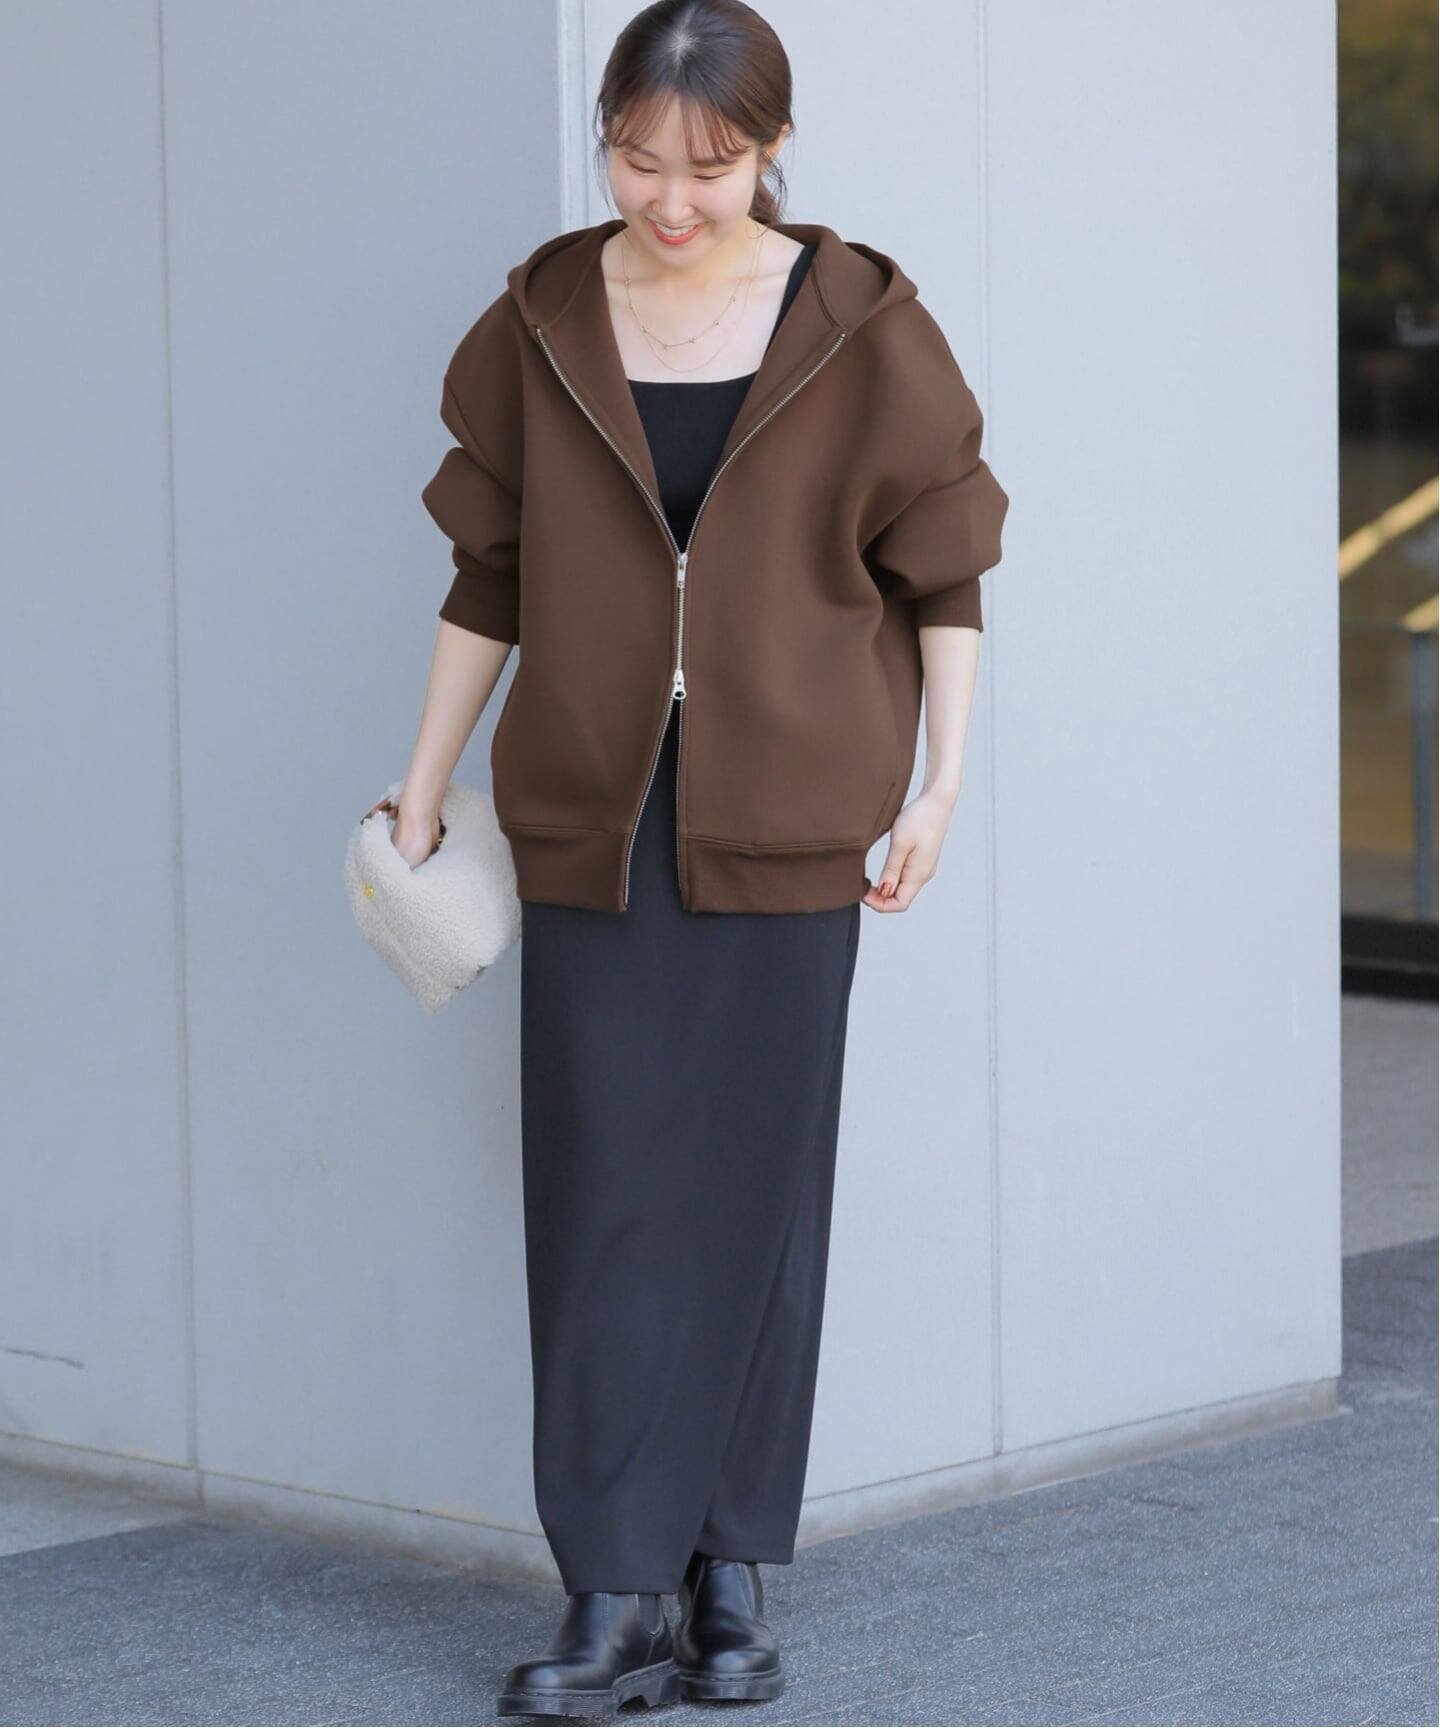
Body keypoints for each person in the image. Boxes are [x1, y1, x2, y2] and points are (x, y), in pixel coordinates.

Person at [396, 2, 1008, 1717]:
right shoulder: (541, 318)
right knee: (604, 1195)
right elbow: (489, 574)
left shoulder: (861, 323)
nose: (670, 200)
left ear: (773, 148)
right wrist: (424, 784)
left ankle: (729, 1572)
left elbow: (946, 571)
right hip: (595, 814)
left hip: (797, 812)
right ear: (607, 139)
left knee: (759, 1193)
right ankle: (615, 1586)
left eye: (711, 166)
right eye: (637, 160)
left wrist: (940, 788)